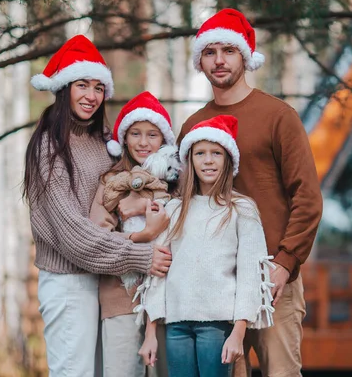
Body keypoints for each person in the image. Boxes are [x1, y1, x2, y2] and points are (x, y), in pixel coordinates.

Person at [177, 9, 323, 377]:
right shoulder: (194, 127)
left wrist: (285, 263)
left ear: (245, 56)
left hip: (272, 278)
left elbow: (307, 197)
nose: (220, 60)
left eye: (229, 50)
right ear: (200, 60)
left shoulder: (278, 116)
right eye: (210, 52)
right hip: (214, 285)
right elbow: (180, 203)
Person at [23, 35, 171, 377]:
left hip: (107, 280)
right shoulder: (50, 147)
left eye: (98, 87)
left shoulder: (102, 138)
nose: (91, 96)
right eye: (81, 85)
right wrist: (142, 253)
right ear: (63, 89)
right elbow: (74, 236)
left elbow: (124, 193)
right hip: (69, 282)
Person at [137, 114, 275, 377]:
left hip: (217, 326)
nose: (208, 160)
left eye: (216, 153)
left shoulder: (241, 209)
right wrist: (151, 332)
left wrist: (238, 331)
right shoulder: (174, 209)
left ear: (228, 160)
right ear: (190, 160)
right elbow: (157, 273)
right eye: (200, 153)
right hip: (176, 325)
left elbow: (250, 275)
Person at [90, 91, 175, 377]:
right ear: (124, 138)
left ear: (163, 140)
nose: (143, 142)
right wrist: (141, 237)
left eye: (152, 134)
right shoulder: (110, 183)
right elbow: (98, 241)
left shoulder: (176, 182)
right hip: (121, 297)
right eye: (135, 133)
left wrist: (143, 206)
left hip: (168, 302)